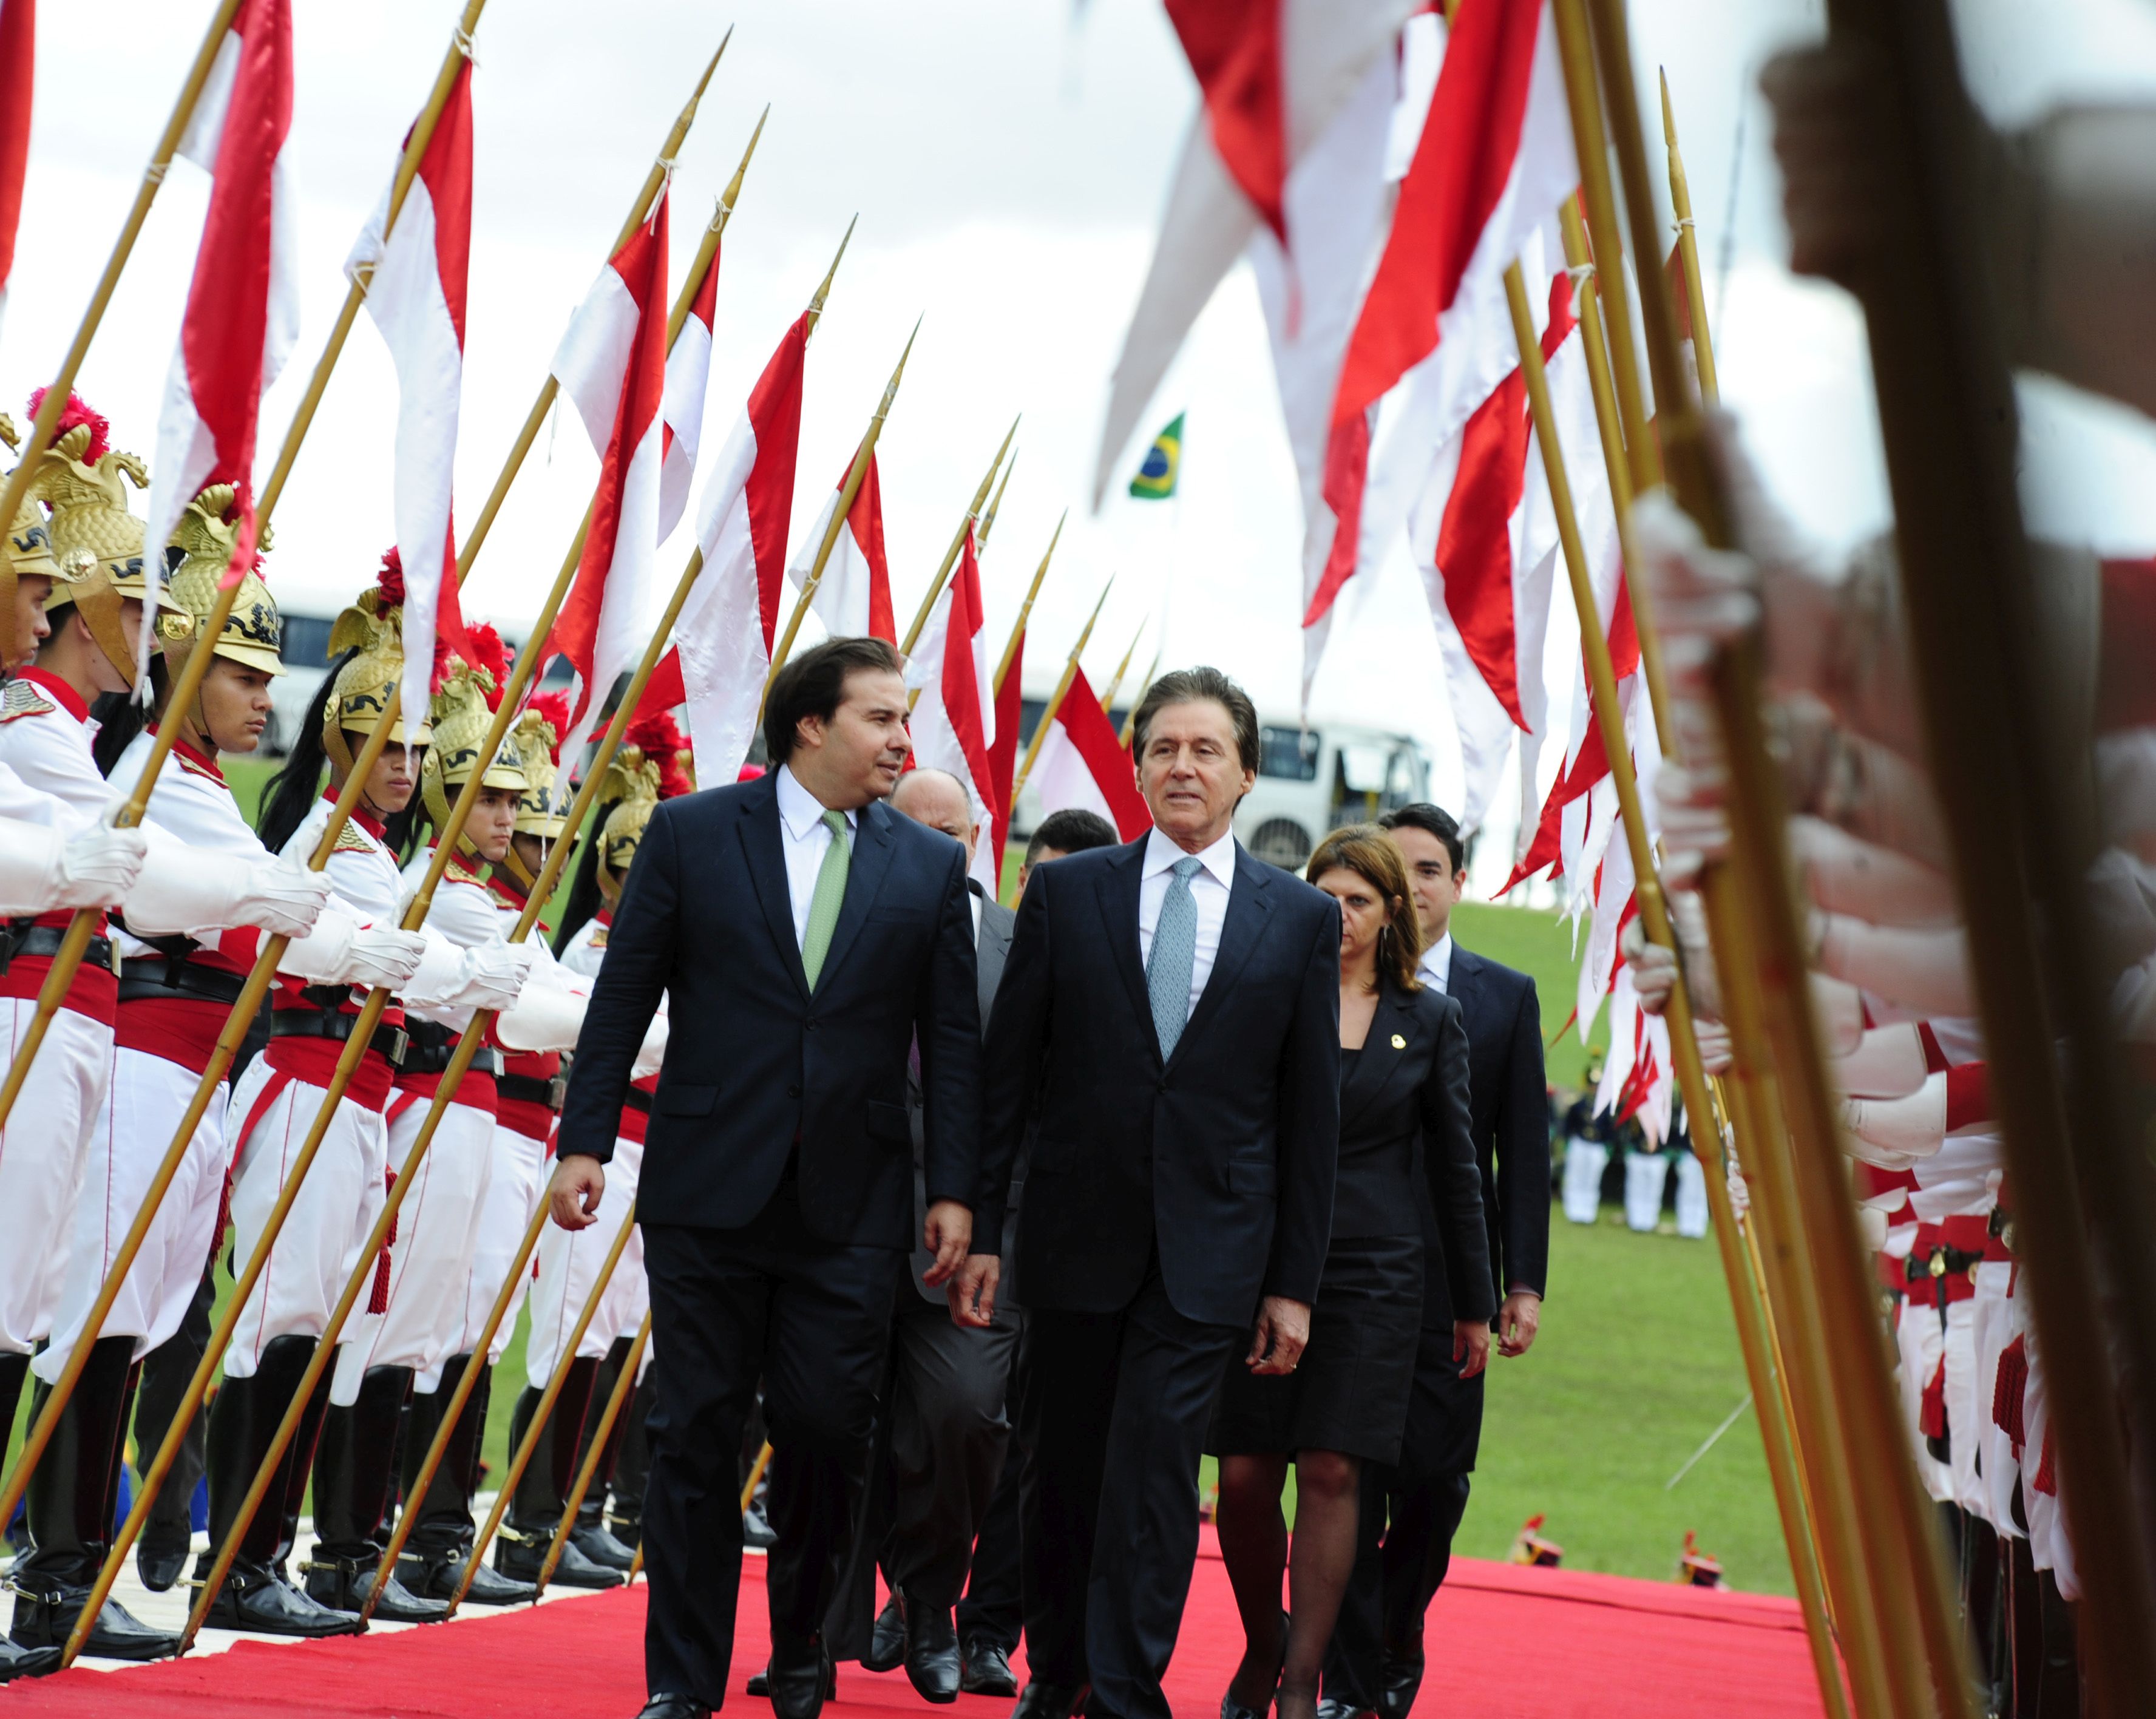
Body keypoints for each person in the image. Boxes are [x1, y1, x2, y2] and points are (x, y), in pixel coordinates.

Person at [548, 636, 983, 1719]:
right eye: (882, 719)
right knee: (692, 1433)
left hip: (855, 1203)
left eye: (904, 719)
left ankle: (801, 1655)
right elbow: (622, 998)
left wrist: (957, 1191)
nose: (901, 740)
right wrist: (584, 1140)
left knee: (829, 1432)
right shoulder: (693, 835)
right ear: (810, 725)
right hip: (707, 1187)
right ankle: (681, 1683)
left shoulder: (926, 865)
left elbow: (954, 1040)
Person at [972, 665, 1341, 1719]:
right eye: (1165, 748)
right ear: (1136, 768)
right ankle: (1062, 1673)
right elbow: (1011, 1079)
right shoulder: (1068, 892)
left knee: (1156, 1475)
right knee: (1065, 1469)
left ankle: (1127, 1686)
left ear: (1246, 774)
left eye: (1206, 749)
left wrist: (1292, 1286)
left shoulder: (1301, 920)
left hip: (1210, 1255)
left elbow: (1308, 1121)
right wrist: (989, 1226)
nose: (1184, 766)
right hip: (1072, 1239)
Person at [206, 557, 516, 1638]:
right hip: (307, 1080)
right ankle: (243, 1560)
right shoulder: (335, 845)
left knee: (323, 1327)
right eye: (390, 744)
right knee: (282, 1321)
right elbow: (399, 962)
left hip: (355, 1092)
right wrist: (475, 978)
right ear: (344, 736)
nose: (409, 766)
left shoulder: (383, 854)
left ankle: (305, 1554)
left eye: (422, 750)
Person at [1209, 826, 1491, 1719]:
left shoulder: (1431, 1019)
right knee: (1247, 1477)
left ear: (1390, 913)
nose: (1339, 914)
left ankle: (1301, 1685)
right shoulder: (1265, 1000)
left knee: (1336, 1473)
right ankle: (1264, 1642)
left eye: (1359, 900)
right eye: (1324, 894)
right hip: (1259, 1264)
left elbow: (1457, 1172)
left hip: (1376, 1278)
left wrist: (1476, 1305)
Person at [1321, 803, 1548, 1719]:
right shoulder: (1329, 983)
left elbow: (1521, 1154)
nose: (1412, 886)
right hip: (1347, 1271)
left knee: (1433, 1483)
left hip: (1450, 1287)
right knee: (1345, 1476)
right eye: (1396, 868)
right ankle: (1345, 1678)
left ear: (1458, 883)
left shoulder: (1502, 997)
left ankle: (1398, 1627)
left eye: (1428, 869)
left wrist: (1519, 1284)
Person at [836, 767, 1018, 1703]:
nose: (942, 850)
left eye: (956, 833)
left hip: (970, 1253)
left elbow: (1030, 1100)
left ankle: (928, 1599)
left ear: (979, 836)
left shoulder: (1018, 948)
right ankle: (814, 1634)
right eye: (921, 832)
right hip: (845, 1225)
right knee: (827, 1423)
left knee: (962, 1421)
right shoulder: (840, 917)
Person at [507, 717, 686, 1595]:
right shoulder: (597, 943)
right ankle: (537, 1520)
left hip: (653, 1146)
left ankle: (580, 1509)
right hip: (605, 1144)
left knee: (617, 1338)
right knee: (570, 1335)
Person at [952, 805, 1122, 1696]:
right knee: (962, 1417)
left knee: (1030, 1442)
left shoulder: (1122, 970)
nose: (1036, 899)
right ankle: (921, 1589)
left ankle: (989, 1628)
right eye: (1031, 880)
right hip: (973, 1228)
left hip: (1068, 1237)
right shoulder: (977, 955)